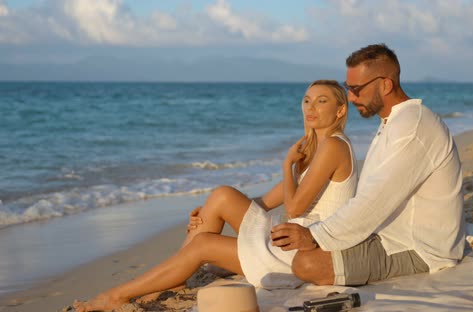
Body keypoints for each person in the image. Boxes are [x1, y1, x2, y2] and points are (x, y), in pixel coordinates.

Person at [73, 79, 358, 311]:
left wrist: (287, 165)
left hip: (303, 253)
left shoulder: (333, 146)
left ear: (340, 110)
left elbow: (294, 209)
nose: (311, 107)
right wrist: (212, 211)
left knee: (203, 246)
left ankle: (117, 296)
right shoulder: (314, 149)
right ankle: (175, 277)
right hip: (291, 240)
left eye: (322, 101)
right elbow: (269, 201)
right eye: (307, 100)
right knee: (222, 195)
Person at [271, 43, 466, 286]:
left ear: (385, 84)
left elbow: (374, 201)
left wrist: (314, 235)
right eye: (348, 88)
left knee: (306, 263)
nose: (351, 97)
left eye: (357, 89)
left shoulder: (412, 127)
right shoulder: (394, 122)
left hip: (420, 248)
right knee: (300, 250)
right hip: (389, 234)